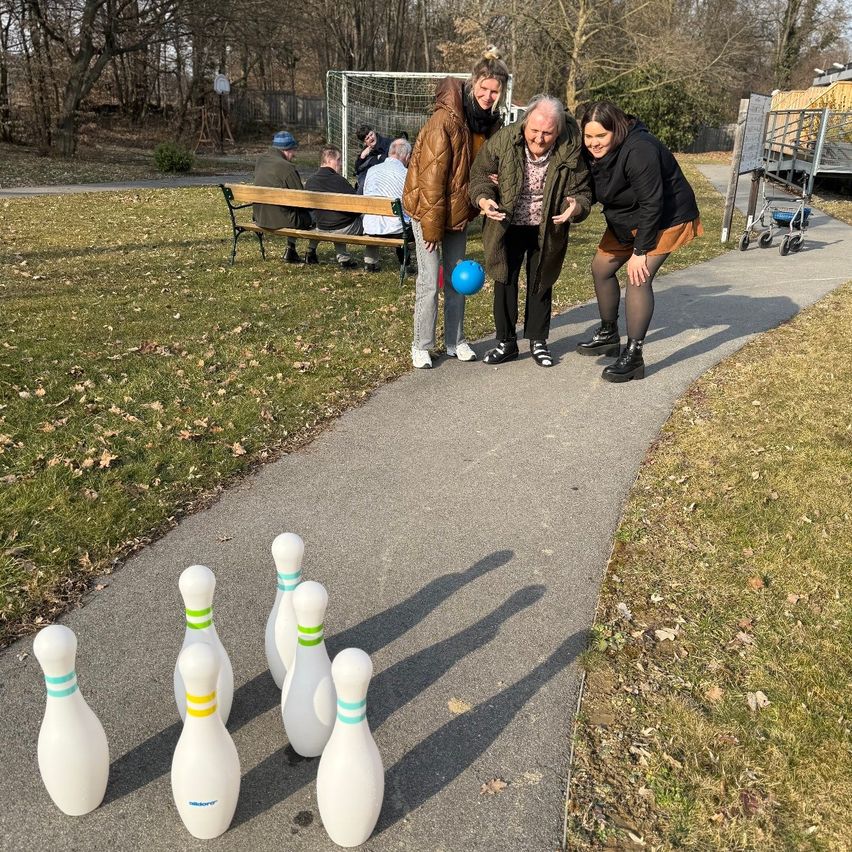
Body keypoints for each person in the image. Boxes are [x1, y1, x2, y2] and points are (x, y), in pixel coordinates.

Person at [578, 101, 703, 382]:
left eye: (601, 136)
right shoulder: (592, 152)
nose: (593, 143)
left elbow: (652, 203)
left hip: (664, 218)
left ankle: (634, 356)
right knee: (601, 269)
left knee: (638, 278)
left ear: (617, 130)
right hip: (627, 217)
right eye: (589, 136)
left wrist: (640, 252)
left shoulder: (640, 149)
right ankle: (609, 333)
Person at [403, 47, 510, 369]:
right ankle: (421, 345)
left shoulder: (488, 124)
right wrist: (433, 227)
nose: (489, 96)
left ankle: (455, 341)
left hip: (458, 214)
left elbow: (477, 171)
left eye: (495, 91)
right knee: (428, 281)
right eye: (484, 88)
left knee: (456, 280)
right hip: (428, 211)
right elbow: (431, 178)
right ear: (473, 83)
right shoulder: (445, 120)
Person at [469, 95, 592, 367]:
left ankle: (538, 341)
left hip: (547, 225)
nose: (539, 138)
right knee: (505, 279)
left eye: (547, 133)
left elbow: (583, 193)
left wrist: (577, 207)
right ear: (525, 123)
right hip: (506, 222)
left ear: (558, 131)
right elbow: (479, 177)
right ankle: (506, 342)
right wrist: (484, 199)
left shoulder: (571, 150)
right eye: (534, 131)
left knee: (541, 280)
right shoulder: (502, 141)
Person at [253, 131, 313, 263]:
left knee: (291, 209)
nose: (294, 154)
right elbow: (301, 198)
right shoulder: (287, 167)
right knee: (314, 215)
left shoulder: (261, 161)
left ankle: (291, 250)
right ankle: (311, 252)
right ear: (286, 150)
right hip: (281, 220)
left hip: (260, 216)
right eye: (293, 150)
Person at [304, 145, 362, 269]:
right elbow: (357, 205)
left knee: (333, 217)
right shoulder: (339, 181)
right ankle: (370, 260)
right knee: (354, 219)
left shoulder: (310, 181)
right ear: (330, 160)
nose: (340, 164)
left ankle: (312, 251)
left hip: (321, 226)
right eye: (339, 160)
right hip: (343, 228)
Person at [362, 137, 413, 273]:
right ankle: (405, 264)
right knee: (405, 219)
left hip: (371, 227)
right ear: (407, 157)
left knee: (376, 217)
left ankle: (370, 262)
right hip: (397, 231)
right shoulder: (407, 175)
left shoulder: (371, 171)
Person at [353, 125, 392, 193]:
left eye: (371, 134)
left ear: (374, 132)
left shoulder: (387, 143)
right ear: (365, 142)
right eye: (367, 138)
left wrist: (380, 158)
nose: (371, 138)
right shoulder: (366, 150)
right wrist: (362, 157)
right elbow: (357, 169)